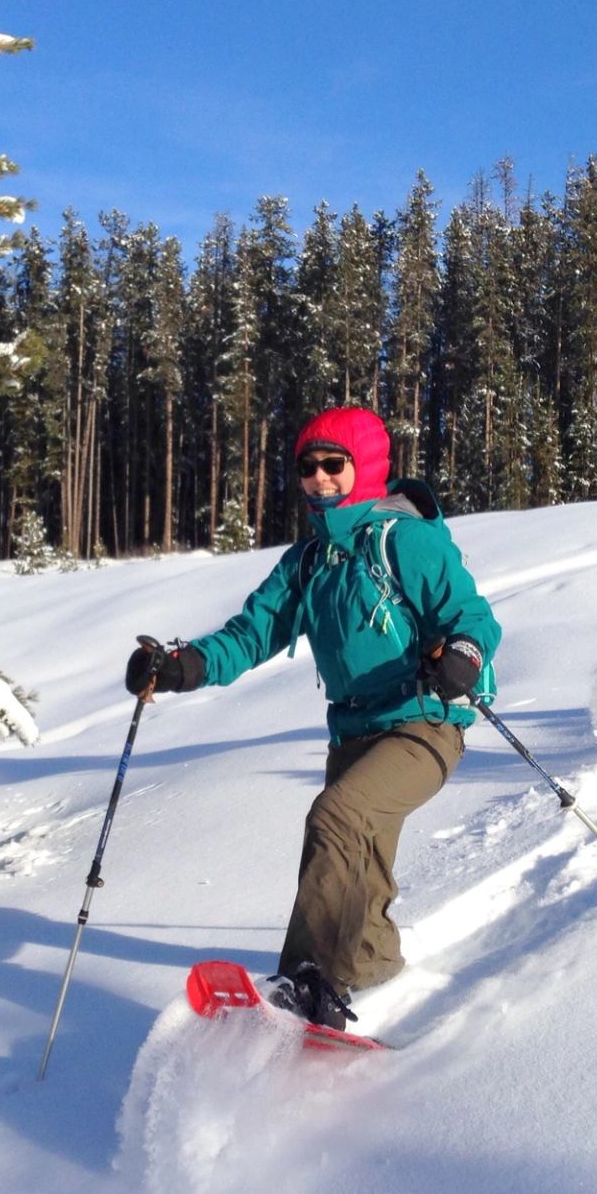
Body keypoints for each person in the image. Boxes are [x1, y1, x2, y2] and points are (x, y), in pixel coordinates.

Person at [124, 406, 501, 1030]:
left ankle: (306, 980)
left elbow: (474, 617)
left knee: (338, 816)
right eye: (308, 467)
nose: (320, 478)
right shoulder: (307, 561)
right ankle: (370, 961)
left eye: (334, 464)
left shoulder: (406, 539)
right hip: (354, 731)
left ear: (367, 467)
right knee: (360, 866)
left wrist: (462, 655)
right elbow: (251, 634)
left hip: (427, 722)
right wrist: (182, 666)